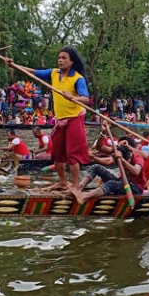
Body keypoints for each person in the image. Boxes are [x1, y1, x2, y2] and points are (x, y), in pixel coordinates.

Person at [6, 47, 91, 191]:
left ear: (71, 62)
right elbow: (32, 72)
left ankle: (76, 186)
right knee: (57, 153)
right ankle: (63, 182)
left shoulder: (78, 78)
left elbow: (86, 99)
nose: (60, 60)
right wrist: (14, 65)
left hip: (74, 118)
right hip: (60, 119)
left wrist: (73, 97)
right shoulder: (53, 73)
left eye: (64, 58)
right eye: (59, 57)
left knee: (72, 154)